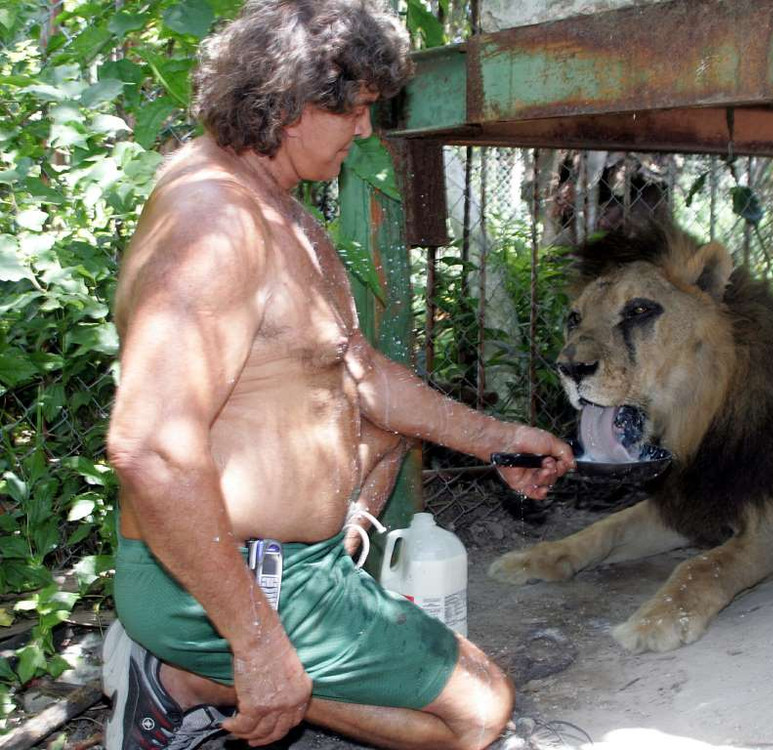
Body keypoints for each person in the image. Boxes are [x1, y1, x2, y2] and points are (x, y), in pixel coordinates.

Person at [101, 1, 575, 749]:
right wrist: (258, 647)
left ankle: (213, 665)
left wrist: (500, 440)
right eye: (355, 111)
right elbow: (149, 448)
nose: (365, 131)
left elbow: (359, 372)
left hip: (298, 563)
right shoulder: (214, 223)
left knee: (389, 434)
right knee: (480, 712)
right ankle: (185, 677)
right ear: (290, 106)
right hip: (220, 581)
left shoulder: (278, 208)